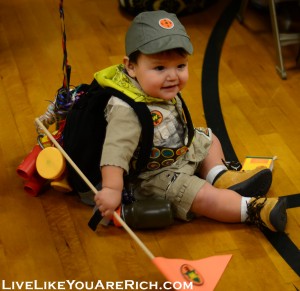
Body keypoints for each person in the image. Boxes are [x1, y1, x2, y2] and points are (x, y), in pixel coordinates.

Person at [94, 10, 287, 232]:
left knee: (209, 138)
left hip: (178, 150)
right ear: (131, 67)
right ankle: (254, 209)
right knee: (203, 196)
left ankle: (220, 176)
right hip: (154, 176)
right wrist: (111, 189)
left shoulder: (155, 87)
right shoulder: (126, 110)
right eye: (160, 68)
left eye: (180, 66)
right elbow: (114, 153)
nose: (173, 76)